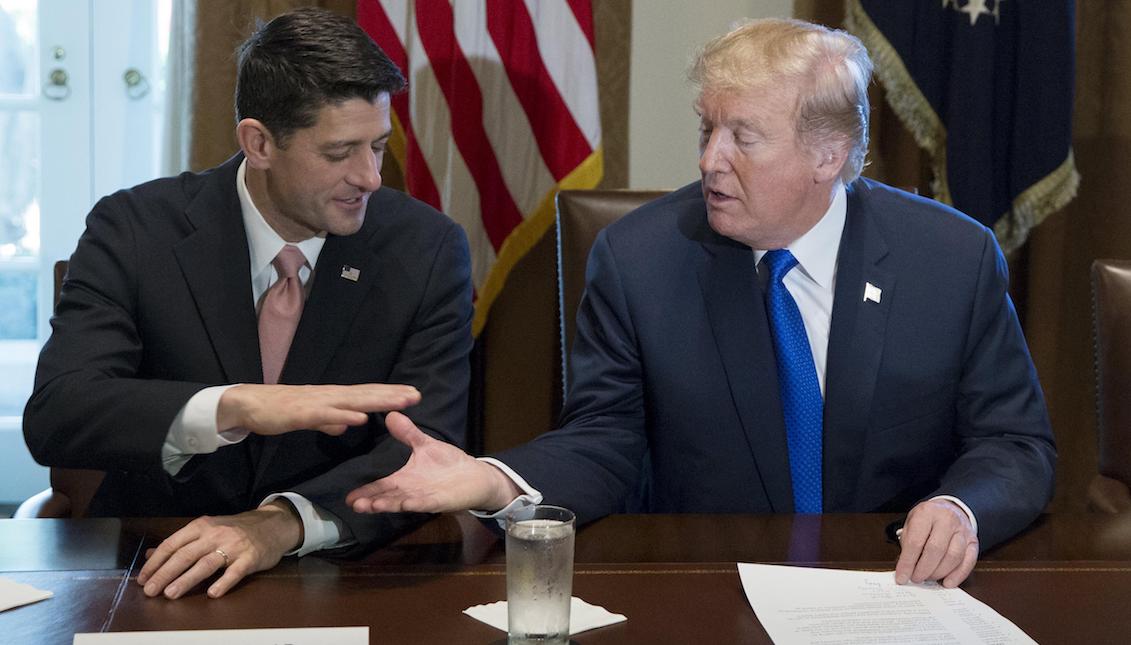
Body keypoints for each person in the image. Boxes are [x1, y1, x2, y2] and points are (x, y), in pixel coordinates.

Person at [345, 18, 1056, 589]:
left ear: (827, 154)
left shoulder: (950, 259)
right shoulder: (640, 258)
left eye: (742, 137)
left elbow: (1013, 442)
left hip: (893, 582)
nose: (709, 160)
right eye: (705, 129)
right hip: (706, 581)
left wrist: (959, 507)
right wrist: (492, 479)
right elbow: (605, 440)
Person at [22, 8, 473, 600]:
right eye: (339, 153)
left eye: (378, 147)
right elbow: (60, 413)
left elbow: (426, 442)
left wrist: (281, 523)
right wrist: (231, 407)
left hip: (347, 568)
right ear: (258, 142)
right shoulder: (134, 228)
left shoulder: (427, 247)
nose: (368, 176)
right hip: (150, 567)